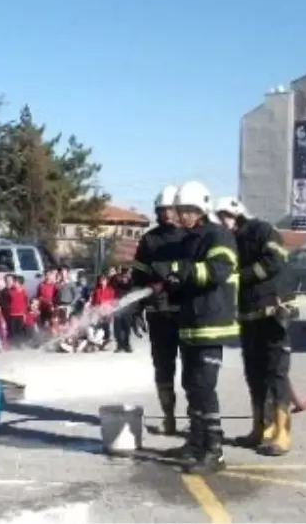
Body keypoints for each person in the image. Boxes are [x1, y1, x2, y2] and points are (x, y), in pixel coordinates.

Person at [159, 181, 240, 474]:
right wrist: (172, 284)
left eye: (185, 211)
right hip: (190, 324)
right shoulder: (190, 238)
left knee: (205, 388)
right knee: (191, 386)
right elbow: (185, 277)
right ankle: (195, 443)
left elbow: (218, 270)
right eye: (179, 212)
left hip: (211, 324)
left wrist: (183, 274)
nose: (181, 217)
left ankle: (214, 451)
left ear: (199, 209)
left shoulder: (218, 235)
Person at [215, 196, 295, 457]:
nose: (223, 220)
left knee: (276, 374)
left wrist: (241, 277)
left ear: (237, 213)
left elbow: (274, 261)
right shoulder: (230, 241)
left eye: (226, 215)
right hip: (249, 318)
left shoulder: (262, 230)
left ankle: (282, 433)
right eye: (220, 216)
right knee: (254, 376)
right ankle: (258, 429)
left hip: (273, 314)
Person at [128, 185, 195, 436]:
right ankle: (169, 417)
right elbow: (139, 276)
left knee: (192, 369)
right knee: (163, 367)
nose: (167, 214)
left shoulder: (190, 237)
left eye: (170, 209)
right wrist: (137, 307)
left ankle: (194, 418)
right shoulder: (149, 240)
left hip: (185, 311)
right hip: (158, 312)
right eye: (162, 210)